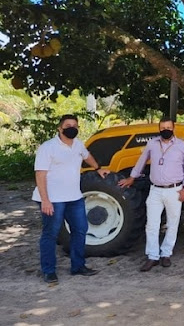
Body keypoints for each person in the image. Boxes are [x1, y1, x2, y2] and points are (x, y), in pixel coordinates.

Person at [33, 114, 110, 284]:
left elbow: (87, 155)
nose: (72, 128)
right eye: (68, 125)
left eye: (75, 125)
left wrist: (98, 168)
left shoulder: (78, 145)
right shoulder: (48, 147)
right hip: (53, 199)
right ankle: (49, 271)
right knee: (50, 234)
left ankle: (78, 266)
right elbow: (40, 174)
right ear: (60, 128)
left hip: (74, 197)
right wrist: (45, 200)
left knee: (80, 230)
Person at [118, 116, 184, 272]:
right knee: (151, 225)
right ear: (159, 128)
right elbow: (142, 160)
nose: (165, 130)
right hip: (155, 190)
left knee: (172, 224)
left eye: (168, 127)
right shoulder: (152, 144)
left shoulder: (183, 146)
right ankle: (152, 256)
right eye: (163, 127)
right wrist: (132, 177)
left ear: (174, 128)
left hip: (175, 190)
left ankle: (166, 254)